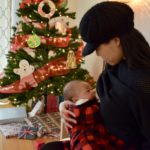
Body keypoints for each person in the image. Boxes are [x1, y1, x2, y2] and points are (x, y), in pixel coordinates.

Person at [41, 1, 150, 150]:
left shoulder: (142, 83)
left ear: (116, 41)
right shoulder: (115, 67)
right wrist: (67, 106)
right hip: (101, 138)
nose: (97, 54)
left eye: (97, 47)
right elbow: (105, 102)